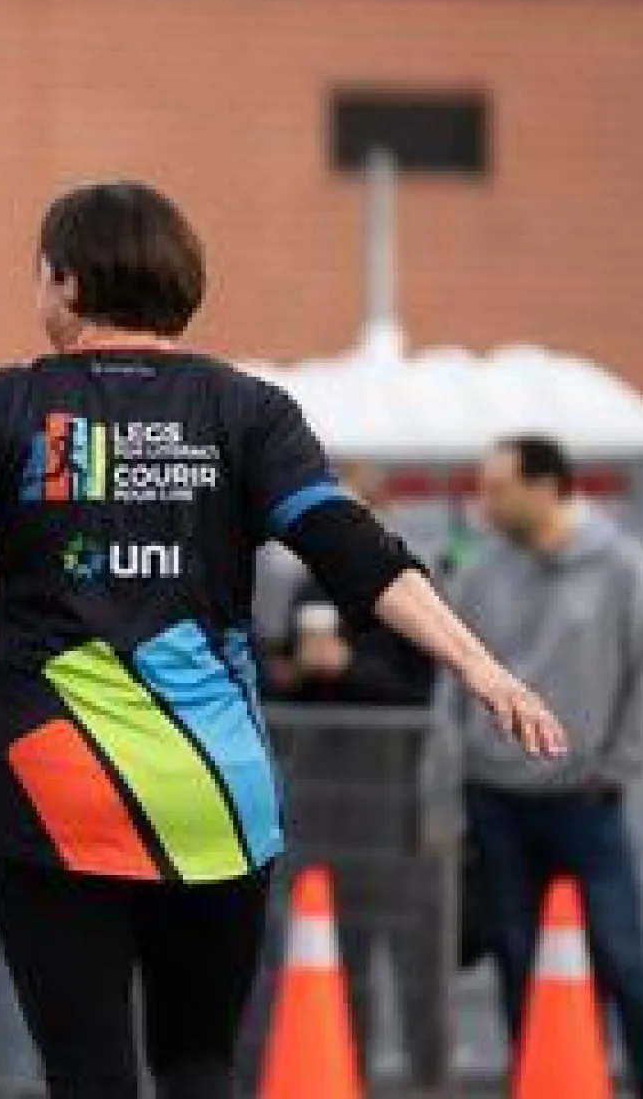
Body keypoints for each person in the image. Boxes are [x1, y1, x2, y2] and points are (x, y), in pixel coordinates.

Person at [0, 180, 565, 1099]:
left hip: (52, 789)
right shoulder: (247, 411)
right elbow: (357, 552)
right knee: (198, 1064)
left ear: (65, 281)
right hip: (212, 793)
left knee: (88, 1073)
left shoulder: (4, 407)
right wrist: (483, 668)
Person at [451, 434, 643, 1099]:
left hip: (585, 799)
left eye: (499, 488)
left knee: (624, 959)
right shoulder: (481, 572)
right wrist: (460, 761)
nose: (484, 502)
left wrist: (618, 767)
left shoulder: (621, 566)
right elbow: (455, 677)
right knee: (517, 959)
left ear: (548, 487)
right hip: (496, 797)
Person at [255, 463, 449, 1092]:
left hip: (391, 799)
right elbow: (281, 685)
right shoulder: (307, 586)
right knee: (336, 950)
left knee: (411, 954)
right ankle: (346, 1074)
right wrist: (291, 670)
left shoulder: (410, 590)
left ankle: (427, 1078)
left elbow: (420, 692)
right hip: (322, 795)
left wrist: (347, 668)